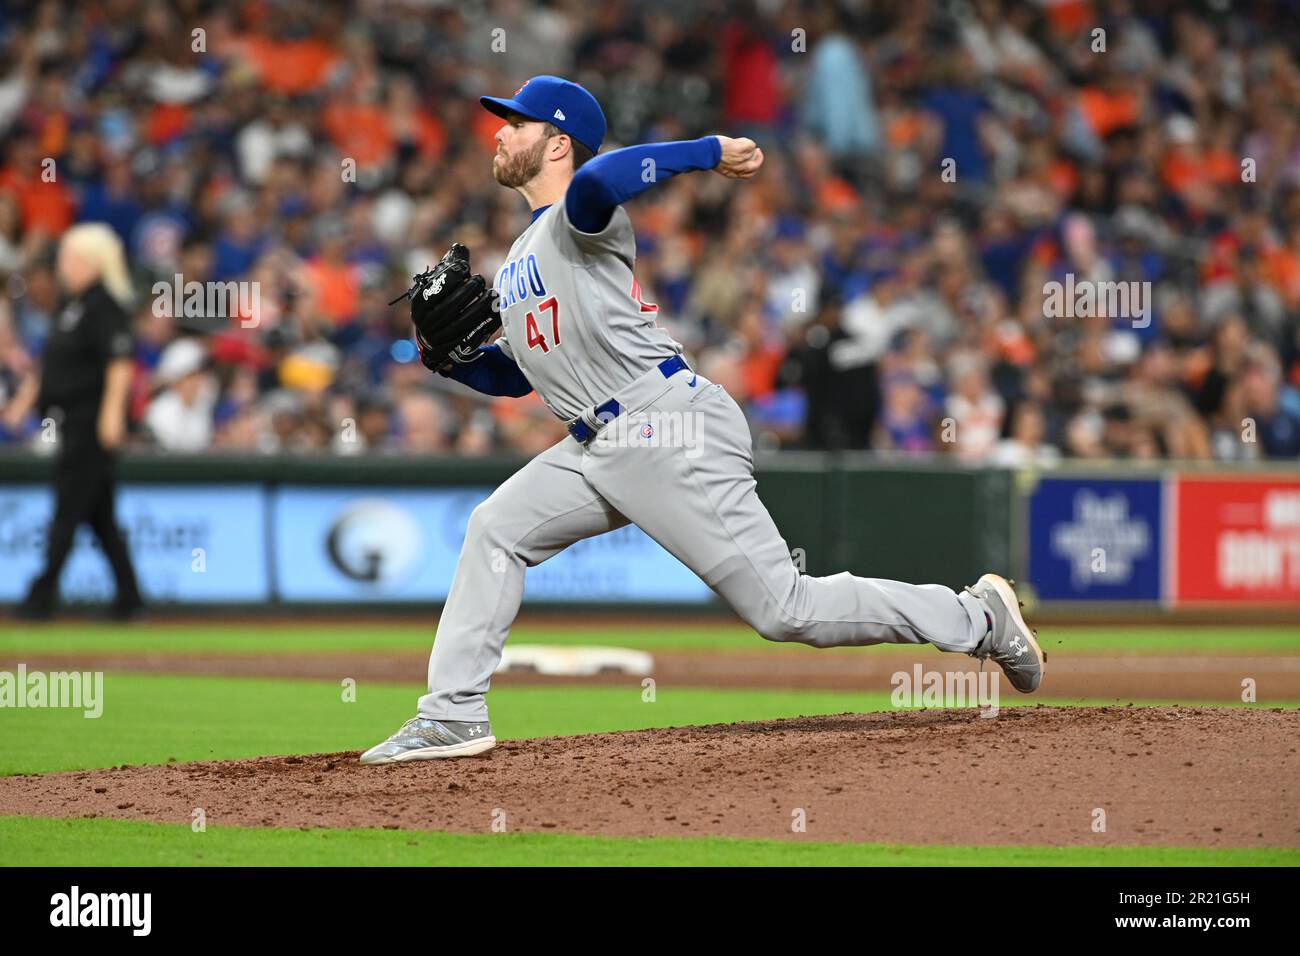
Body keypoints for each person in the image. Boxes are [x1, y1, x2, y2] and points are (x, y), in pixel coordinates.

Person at [360, 76, 1043, 764]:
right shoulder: (517, 262)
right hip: (598, 443)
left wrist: (707, 148)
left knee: (787, 610)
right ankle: (452, 716)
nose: (500, 133)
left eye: (516, 122)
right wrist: (450, 364)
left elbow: (601, 182)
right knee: (495, 530)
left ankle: (977, 617)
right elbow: (516, 377)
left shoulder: (580, 218)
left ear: (557, 141)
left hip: (664, 423)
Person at [10, 223, 143, 620]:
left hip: (89, 421)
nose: (63, 266)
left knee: (68, 510)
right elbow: (49, 364)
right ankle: (130, 599)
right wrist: (23, 401)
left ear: (92, 262)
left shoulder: (105, 305)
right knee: (99, 515)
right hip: (68, 420)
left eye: (70, 258)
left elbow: (120, 364)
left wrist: (111, 415)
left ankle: (40, 596)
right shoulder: (71, 306)